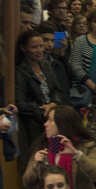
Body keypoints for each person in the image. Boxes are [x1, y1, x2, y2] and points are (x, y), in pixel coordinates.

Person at [22, 106, 96, 189]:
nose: (45, 124)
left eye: (50, 120)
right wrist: (35, 166)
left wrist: (77, 155)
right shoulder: (46, 146)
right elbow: (27, 182)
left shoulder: (85, 146)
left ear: (63, 124)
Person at [15, 30, 67, 159]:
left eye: (41, 46)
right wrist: (42, 110)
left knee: (54, 156)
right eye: (34, 47)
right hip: (33, 126)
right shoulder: (20, 71)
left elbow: (57, 90)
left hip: (53, 122)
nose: (39, 50)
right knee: (39, 158)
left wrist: (53, 104)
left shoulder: (46, 65)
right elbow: (20, 103)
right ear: (23, 48)